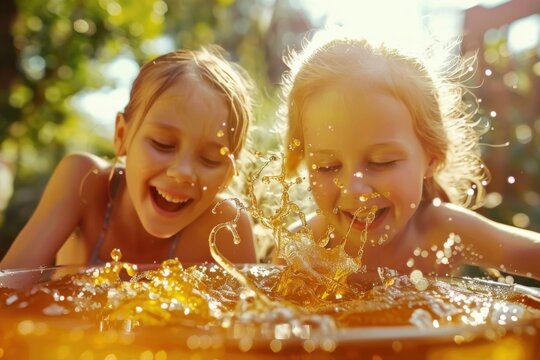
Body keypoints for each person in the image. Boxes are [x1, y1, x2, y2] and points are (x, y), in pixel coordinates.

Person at [280, 32, 540, 279]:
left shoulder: (442, 231)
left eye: (381, 162)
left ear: (431, 158)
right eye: (327, 166)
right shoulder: (301, 250)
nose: (353, 188)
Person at [0, 46, 257, 269]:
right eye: (163, 144)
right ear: (122, 135)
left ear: (229, 174)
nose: (182, 172)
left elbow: (252, 324)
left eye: (211, 159)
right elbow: (7, 293)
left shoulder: (226, 228)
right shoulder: (84, 184)